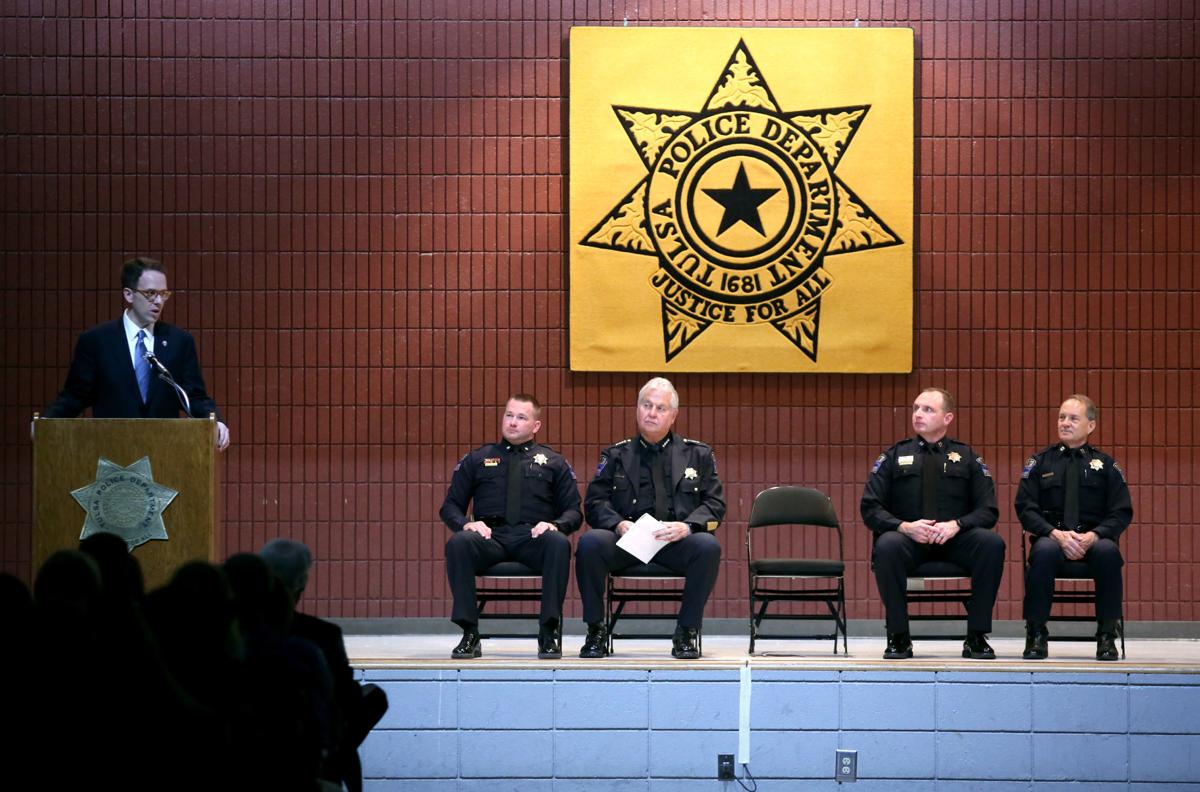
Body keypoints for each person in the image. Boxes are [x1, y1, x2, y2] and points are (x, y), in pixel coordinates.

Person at [577, 377, 724, 660]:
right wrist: (618, 524)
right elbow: (594, 502)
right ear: (637, 409)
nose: (652, 413)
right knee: (590, 543)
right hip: (628, 540)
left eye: (660, 408)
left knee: (707, 546)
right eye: (647, 405)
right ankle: (595, 629)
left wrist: (688, 526)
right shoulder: (616, 454)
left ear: (673, 415)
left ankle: (686, 632)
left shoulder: (698, 454)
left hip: (674, 542)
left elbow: (715, 504)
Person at [860, 388, 1004, 660]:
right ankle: (898, 636)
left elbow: (989, 509)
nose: (918, 414)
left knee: (992, 544)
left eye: (928, 409)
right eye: (916, 408)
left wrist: (957, 524)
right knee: (887, 544)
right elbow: (870, 507)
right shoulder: (893, 456)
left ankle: (976, 636)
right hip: (910, 542)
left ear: (947, 417)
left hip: (954, 541)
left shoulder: (967, 457)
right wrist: (904, 526)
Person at [439, 394, 581, 659]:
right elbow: (449, 507)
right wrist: (465, 524)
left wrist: (555, 525)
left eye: (521, 417)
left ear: (536, 426)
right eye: (509, 415)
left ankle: (549, 631)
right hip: (490, 537)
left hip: (533, 538)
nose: (512, 422)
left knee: (559, 543)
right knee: (459, 543)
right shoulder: (478, 459)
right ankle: (470, 632)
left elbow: (574, 511)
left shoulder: (553, 462)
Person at [40, 257, 230, 450]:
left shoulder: (179, 341)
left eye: (163, 294)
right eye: (150, 293)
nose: (158, 301)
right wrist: (45, 423)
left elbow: (193, 396)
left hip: (165, 452)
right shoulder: (97, 341)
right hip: (111, 449)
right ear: (129, 294)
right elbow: (75, 395)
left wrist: (215, 422)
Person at [261, 538, 389, 792]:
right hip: (308, 746)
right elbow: (346, 699)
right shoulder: (322, 635)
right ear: (302, 582)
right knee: (369, 701)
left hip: (254, 741)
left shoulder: (234, 631)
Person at [1015, 395, 1133, 661]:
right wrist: (1054, 533)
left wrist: (1094, 535)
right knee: (1042, 552)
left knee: (1108, 553)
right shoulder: (1040, 463)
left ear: (1091, 426)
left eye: (1073, 418)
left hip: (1093, 540)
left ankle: (1106, 635)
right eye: (1061, 417)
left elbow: (1121, 511)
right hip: (1052, 538)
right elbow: (1025, 507)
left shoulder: (1105, 466)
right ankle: (1036, 633)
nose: (1065, 423)